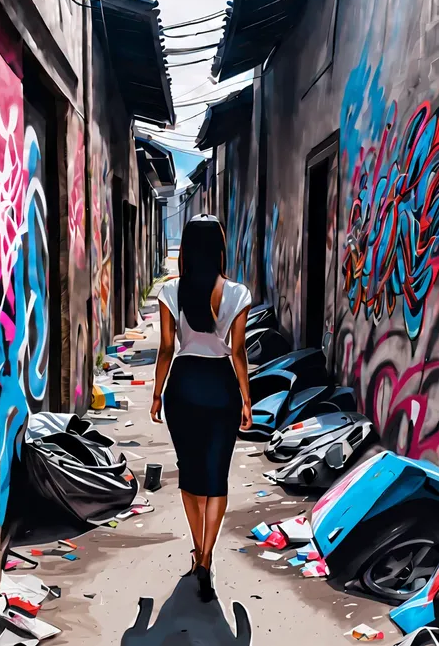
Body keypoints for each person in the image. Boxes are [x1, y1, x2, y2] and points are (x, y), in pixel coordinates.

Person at [149, 214, 253, 603]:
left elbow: (164, 348)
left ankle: (198, 553)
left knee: (190, 477)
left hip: (184, 385)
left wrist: (158, 393)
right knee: (216, 478)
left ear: (188, 249)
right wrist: (246, 397)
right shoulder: (237, 293)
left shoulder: (171, 291)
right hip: (221, 384)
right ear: (221, 248)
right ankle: (208, 556)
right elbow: (239, 351)